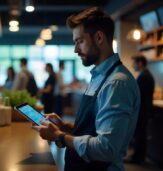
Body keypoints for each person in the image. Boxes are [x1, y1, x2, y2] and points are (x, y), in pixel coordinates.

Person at [33, 7, 140, 171]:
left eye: (79, 41)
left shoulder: (117, 83)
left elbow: (106, 149)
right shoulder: (99, 76)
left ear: (98, 37)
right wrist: (67, 127)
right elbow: (95, 127)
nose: (76, 50)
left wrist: (59, 136)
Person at [126, 55, 155, 164]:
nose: (133, 65)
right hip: (144, 110)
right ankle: (138, 157)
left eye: (134, 63)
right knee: (140, 134)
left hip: (142, 111)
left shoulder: (144, 76)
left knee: (139, 134)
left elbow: (137, 95)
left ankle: (137, 158)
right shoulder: (145, 75)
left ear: (140, 63)